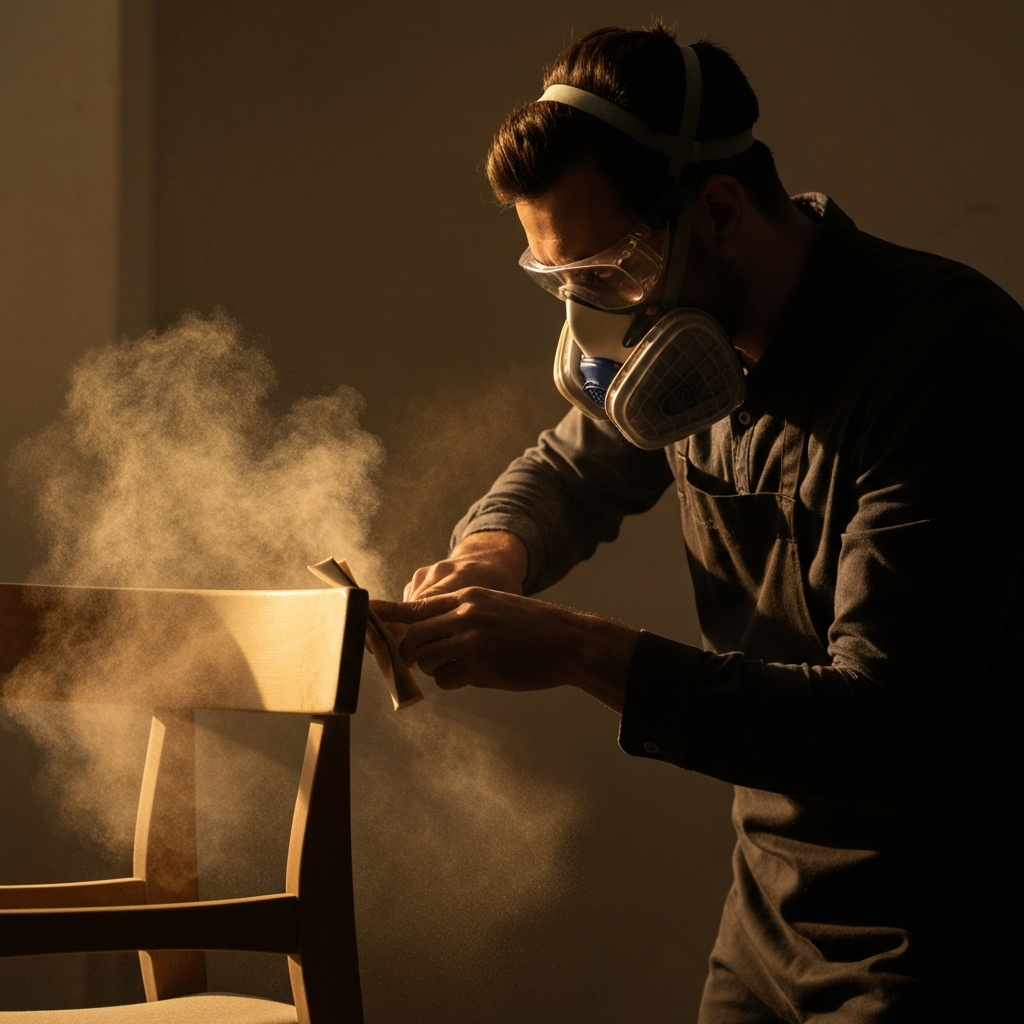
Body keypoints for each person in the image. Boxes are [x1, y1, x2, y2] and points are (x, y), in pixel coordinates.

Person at [372, 24, 1023, 1023]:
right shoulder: (688, 359)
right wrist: (489, 556)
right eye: (562, 284)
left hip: (939, 931)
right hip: (766, 919)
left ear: (718, 211)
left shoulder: (942, 362)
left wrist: (573, 649)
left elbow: (884, 730)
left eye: (610, 271)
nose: (597, 324)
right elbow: (570, 468)